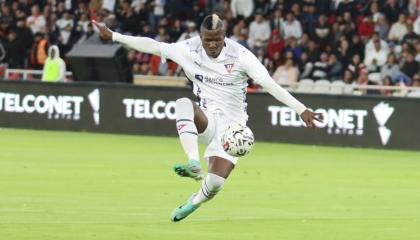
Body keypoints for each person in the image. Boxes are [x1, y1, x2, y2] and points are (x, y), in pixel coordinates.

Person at [93, 14, 322, 222]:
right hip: (208, 121)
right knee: (183, 104)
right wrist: (114, 36)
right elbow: (153, 46)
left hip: (233, 131)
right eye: (207, 40)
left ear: (225, 36)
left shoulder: (241, 56)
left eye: (217, 39)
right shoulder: (189, 49)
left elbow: (270, 85)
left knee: (214, 185)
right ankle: (193, 162)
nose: (212, 44)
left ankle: (193, 203)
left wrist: (301, 109)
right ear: (200, 36)